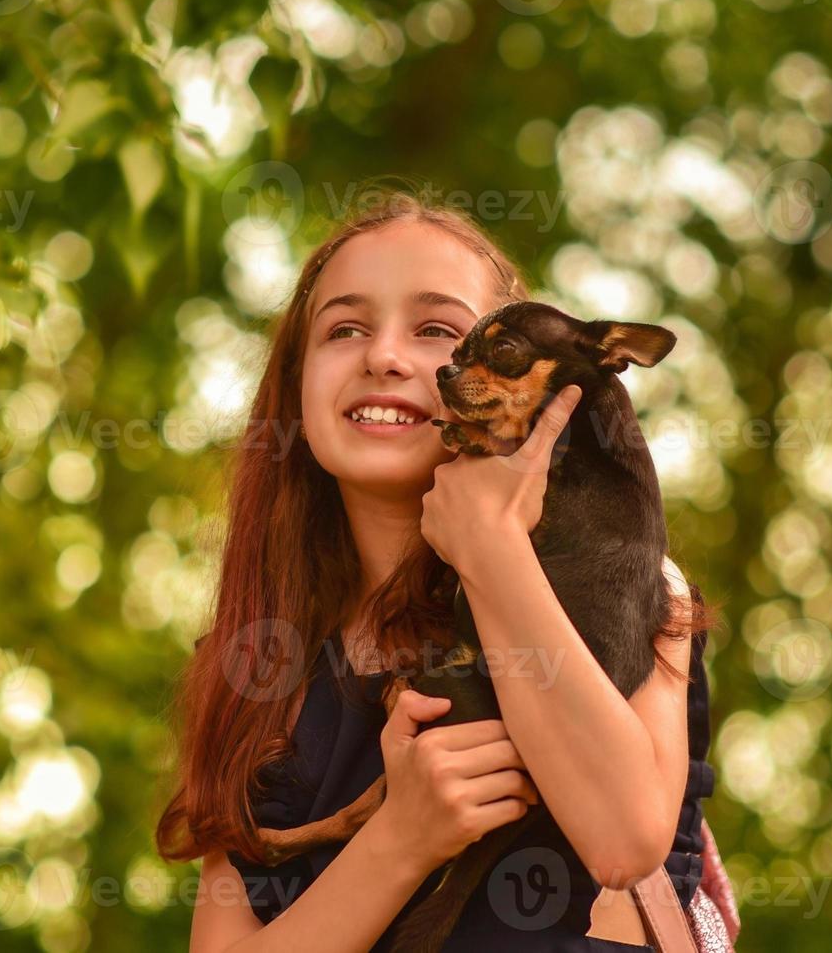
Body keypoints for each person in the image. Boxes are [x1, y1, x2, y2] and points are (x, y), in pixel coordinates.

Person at [156, 188, 715, 952]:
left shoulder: (641, 585)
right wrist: (403, 836)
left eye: (437, 331)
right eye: (343, 329)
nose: (384, 356)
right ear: (293, 383)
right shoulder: (254, 665)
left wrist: (488, 544)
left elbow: (622, 839)